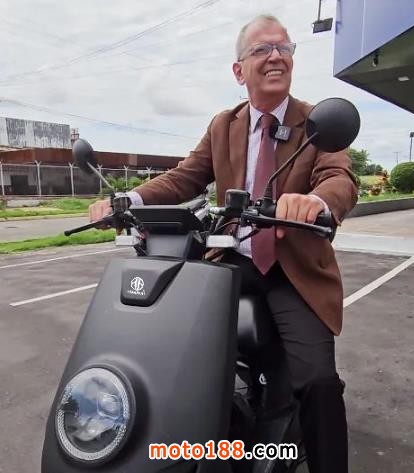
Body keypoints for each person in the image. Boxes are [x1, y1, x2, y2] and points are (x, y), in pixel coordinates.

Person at [89, 14, 358, 473]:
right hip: (233, 259)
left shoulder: (317, 123)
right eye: (262, 49)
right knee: (172, 344)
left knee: (318, 381)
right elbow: (184, 177)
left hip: (293, 270)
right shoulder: (224, 124)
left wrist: (314, 202)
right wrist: (125, 200)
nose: (275, 56)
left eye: (284, 48)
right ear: (239, 70)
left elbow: (340, 178)